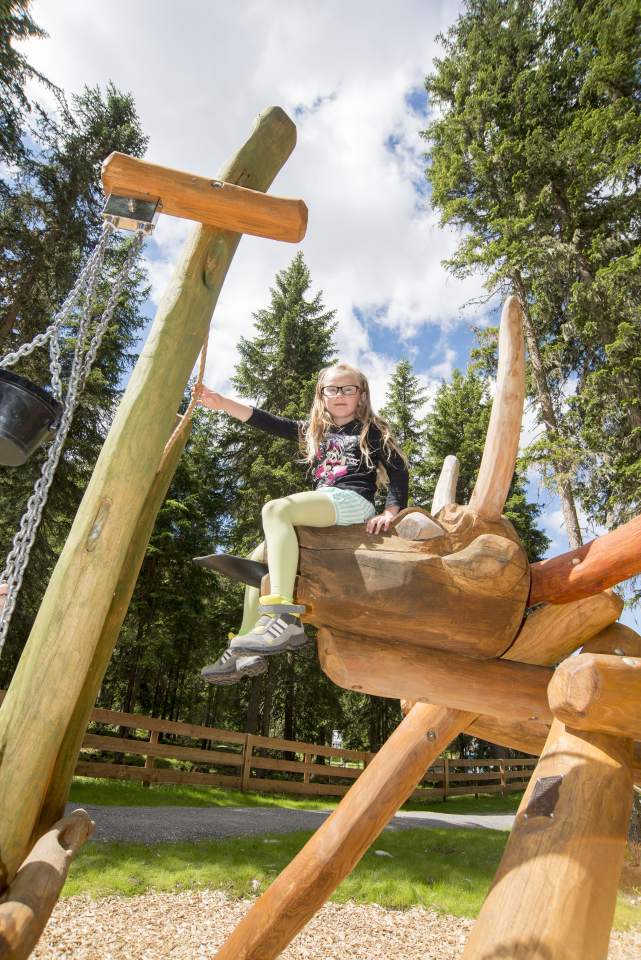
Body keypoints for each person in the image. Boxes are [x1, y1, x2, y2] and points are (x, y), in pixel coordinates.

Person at [196, 361, 409, 684]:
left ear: (361, 396)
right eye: (332, 389)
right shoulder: (316, 432)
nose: (339, 395)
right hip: (324, 508)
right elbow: (267, 421)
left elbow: (398, 471)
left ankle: (282, 615)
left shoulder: (371, 431)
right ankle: (245, 646)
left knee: (276, 510)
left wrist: (391, 511)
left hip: (352, 503)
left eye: (348, 389)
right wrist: (222, 403)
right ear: (321, 396)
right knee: (258, 558)